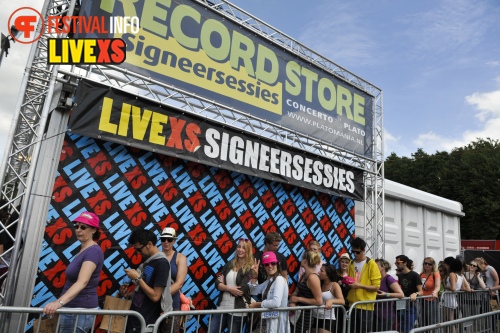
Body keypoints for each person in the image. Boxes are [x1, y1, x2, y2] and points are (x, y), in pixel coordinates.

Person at [42, 212, 104, 333]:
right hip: (73, 311)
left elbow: (82, 282)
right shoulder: (85, 250)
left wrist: (59, 302)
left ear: (94, 230)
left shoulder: (93, 252)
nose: (78, 230)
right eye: (76, 226)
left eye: (83, 227)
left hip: (79, 312)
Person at [121, 229, 172, 333]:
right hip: (136, 317)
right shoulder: (149, 261)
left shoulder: (162, 263)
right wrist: (129, 295)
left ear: (149, 244)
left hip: (147, 321)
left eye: (139, 250)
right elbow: (144, 291)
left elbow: (155, 296)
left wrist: (138, 278)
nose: (138, 253)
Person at [211, 238, 254, 333]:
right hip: (222, 307)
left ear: (248, 251)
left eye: (244, 248)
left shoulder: (250, 268)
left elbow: (241, 290)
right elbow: (217, 283)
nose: (240, 249)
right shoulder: (230, 264)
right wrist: (229, 288)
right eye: (239, 246)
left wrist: (223, 285)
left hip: (238, 310)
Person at [248, 251, 290, 333]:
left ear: (277, 264)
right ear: (263, 267)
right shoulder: (269, 281)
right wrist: (255, 276)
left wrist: (258, 305)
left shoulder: (279, 279)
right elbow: (254, 291)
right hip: (266, 323)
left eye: (273, 263)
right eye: (267, 264)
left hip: (276, 324)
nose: (270, 266)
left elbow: (276, 303)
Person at [346, 237, 381, 333]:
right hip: (352, 304)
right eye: (353, 251)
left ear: (363, 251)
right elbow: (351, 281)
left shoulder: (371, 264)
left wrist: (360, 286)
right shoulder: (351, 263)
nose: (354, 254)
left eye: (357, 252)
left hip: (365, 306)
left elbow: (376, 287)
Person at [161, 227, 187, 333]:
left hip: (172, 306)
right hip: (154, 306)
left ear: (174, 241)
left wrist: (159, 296)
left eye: (169, 239)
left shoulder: (180, 257)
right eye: (163, 239)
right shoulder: (155, 256)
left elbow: (179, 283)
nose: (166, 242)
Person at [289, 250, 323, 333]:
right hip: (296, 313)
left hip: (305, 316)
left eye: (302, 258)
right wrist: (292, 302)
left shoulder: (313, 278)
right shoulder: (304, 274)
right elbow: (296, 292)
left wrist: (298, 299)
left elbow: (319, 301)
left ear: (304, 260)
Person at [311, 264, 344, 333]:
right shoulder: (319, 283)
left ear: (328, 275)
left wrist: (331, 301)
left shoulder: (334, 285)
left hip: (327, 319)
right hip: (315, 317)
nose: (319, 272)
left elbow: (342, 301)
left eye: (321, 271)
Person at [394, 255, 422, 333]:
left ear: (405, 263)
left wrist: (415, 294)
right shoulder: (400, 276)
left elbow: (421, 291)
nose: (396, 264)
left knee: (408, 327)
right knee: (401, 327)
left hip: (412, 305)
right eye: (395, 262)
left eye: (398, 262)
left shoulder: (414, 275)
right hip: (401, 304)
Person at [374, 259, 403, 331]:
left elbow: (401, 294)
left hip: (387, 315)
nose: (374, 268)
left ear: (383, 267)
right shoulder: (376, 279)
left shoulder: (389, 278)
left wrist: (386, 294)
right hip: (375, 314)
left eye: (376, 266)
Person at [419, 257, 441, 326]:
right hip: (422, 299)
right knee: (423, 321)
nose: (427, 265)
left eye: (429, 264)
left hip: (432, 299)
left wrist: (434, 292)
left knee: (432, 321)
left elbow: (438, 286)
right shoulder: (421, 274)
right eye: (425, 263)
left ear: (433, 265)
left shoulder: (435, 274)